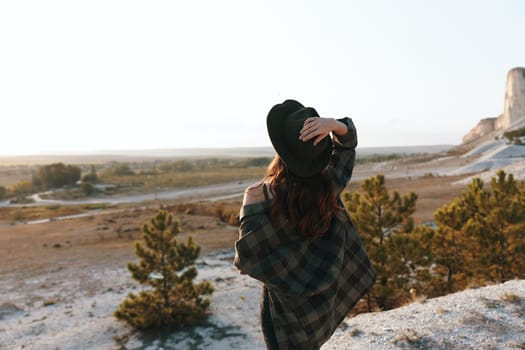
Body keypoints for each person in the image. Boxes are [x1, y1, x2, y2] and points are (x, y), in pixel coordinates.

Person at [234, 99, 376, 350]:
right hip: (320, 307)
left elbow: (246, 259)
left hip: (286, 313)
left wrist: (250, 209)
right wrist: (335, 124)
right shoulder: (329, 186)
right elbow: (347, 146)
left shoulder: (262, 197)